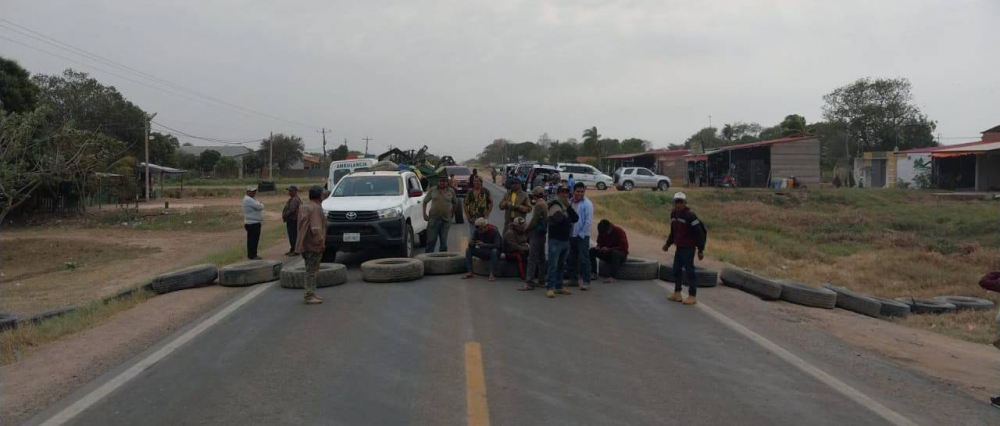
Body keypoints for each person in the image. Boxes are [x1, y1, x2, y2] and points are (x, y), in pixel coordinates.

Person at [662, 192, 707, 305]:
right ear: (674, 203)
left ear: (685, 203)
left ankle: (692, 296)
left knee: (689, 271)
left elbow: (700, 233)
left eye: (681, 202)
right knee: (676, 269)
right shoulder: (673, 214)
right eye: (677, 202)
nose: (678, 205)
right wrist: (668, 244)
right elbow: (673, 232)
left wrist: (700, 250)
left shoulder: (690, 216)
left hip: (689, 248)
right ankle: (677, 293)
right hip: (679, 247)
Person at [296, 185, 327, 305]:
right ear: (320, 196)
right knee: (311, 271)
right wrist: (321, 241)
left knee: (310, 269)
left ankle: (312, 293)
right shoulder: (316, 208)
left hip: (304, 243)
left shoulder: (304, 206)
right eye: (323, 194)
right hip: (313, 244)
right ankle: (309, 295)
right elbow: (316, 228)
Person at [545, 185, 578, 298]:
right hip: (555, 240)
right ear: (558, 193)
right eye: (562, 192)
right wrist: (568, 219)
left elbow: (575, 218)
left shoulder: (566, 206)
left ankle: (559, 286)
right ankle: (550, 287)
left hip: (565, 239)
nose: (565, 195)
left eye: (567, 193)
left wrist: (568, 207)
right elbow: (560, 220)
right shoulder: (554, 204)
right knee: (553, 265)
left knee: (561, 265)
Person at [565, 182, 594, 290]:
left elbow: (588, 221)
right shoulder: (570, 202)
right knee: (571, 258)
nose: (580, 194)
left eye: (582, 191)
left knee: (584, 259)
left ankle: (586, 281)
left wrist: (581, 234)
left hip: (582, 236)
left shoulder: (587, 204)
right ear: (574, 191)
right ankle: (573, 280)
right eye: (578, 191)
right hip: (571, 234)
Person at [520, 186, 548, 291]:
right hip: (542, 233)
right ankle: (541, 280)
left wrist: (526, 229)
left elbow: (534, 221)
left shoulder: (538, 205)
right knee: (541, 258)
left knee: (532, 259)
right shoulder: (544, 203)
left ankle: (529, 282)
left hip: (536, 233)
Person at [422, 176, 459, 253]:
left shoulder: (451, 191)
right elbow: (425, 201)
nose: (442, 183)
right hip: (433, 219)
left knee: (443, 242)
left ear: (447, 182)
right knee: (431, 241)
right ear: (438, 182)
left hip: (446, 220)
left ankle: (442, 260)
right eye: (440, 181)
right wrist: (424, 214)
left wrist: (452, 214)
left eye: (444, 181)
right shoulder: (433, 190)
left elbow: (455, 202)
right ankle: (427, 259)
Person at [464, 217, 503, 282]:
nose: (480, 231)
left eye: (481, 229)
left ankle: (492, 274)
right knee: (468, 250)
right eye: (479, 230)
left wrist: (485, 245)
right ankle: (470, 271)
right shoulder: (477, 231)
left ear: (486, 227)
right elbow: (473, 242)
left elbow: (498, 245)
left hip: (492, 252)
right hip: (484, 251)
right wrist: (471, 243)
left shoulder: (494, 231)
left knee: (494, 251)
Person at [241, 186, 264, 260]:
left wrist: (259, 204)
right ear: (247, 192)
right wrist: (260, 204)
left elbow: (259, 205)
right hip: (252, 223)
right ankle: (252, 255)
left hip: (253, 222)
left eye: (254, 191)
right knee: (253, 240)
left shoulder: (252, 199)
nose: (254, 193)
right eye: (252, 191)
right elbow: (260, 206)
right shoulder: (248, 200)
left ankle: (252, 254)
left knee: (253, 239)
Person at [281, 185, 301, 256]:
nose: (289, 192)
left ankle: (295, 250)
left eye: (291, 191)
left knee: (293, 236)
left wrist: (285, 214)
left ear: (295, 191)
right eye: (289, 191)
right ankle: (293, 249)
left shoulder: (295, 199)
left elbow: (292, 210)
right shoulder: (292, 199)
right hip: (291, 219)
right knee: (292, 235)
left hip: (293, 220)